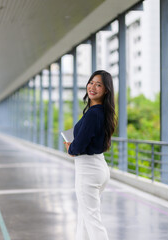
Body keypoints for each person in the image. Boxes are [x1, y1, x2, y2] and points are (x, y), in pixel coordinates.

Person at [64, 70, 116, 240]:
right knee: (85, 218)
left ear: (106, 90)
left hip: (88, 171)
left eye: (99, 84)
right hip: (98, 167)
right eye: (91, 82)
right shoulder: (101, 112)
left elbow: (78, 146)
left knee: (92, 221)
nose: (92, 87)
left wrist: (70, 148)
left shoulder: (93, 114)